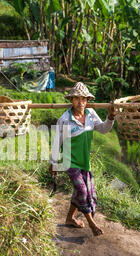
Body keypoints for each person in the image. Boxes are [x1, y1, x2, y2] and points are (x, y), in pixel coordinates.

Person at [49, 82, 116, 236]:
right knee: (82, 190)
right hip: (69, 161)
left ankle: (69, 218)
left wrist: (111, 117)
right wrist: (53, 162)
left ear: (87, 100)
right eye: (77, 99)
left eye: (84, 99)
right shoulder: (65, 119)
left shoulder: (91, 114)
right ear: (71, 100)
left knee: (81, 191)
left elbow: (103, 129)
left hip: (84, 161)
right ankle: (92, 223)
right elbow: (57, 142)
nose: (80, 102)